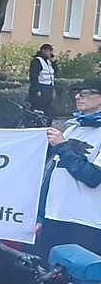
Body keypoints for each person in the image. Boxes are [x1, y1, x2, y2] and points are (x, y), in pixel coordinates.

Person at [38, 79, 101, 257]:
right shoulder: (72, 128)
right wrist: (41, 214)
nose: (78, 96)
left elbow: (93, 176)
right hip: (54, 217)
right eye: (77, 92)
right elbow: (52, 174)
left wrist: (63, 147)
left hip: (86, 223)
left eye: (86, 92)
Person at [30, 44, 58, 119]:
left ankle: (47, 119)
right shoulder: (37, 61)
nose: (50, 53)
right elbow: (33, 76)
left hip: (48, 87)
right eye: (49, 51)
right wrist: (37, 89)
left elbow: (55, 72)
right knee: (39, 107)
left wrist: (53, 62)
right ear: (44, 51)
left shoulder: (49, 62)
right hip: (41, 87)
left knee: (47, 107)